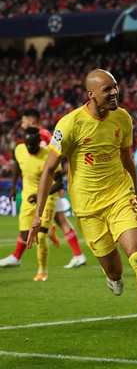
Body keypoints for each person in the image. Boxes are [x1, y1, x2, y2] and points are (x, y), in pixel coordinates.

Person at [26, 69, 137, 353]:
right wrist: (37, 216)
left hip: (120, 195)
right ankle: (113, 278)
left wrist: (136, 196)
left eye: (116, 87)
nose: (114, 93)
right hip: (87, 208)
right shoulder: (70, 124)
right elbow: (49, 168)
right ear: (91, 94)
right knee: (116, 271)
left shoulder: (123, 117)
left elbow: (127, 160)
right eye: (107, 89)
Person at [16, 108, 87, 268]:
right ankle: (77, 254)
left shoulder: (43, 136)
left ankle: (75, 253)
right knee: (58, 219)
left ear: (31, 120)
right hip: (47, 186)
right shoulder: (40, 135)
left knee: (54, 221)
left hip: (48, 187)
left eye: (23, 121)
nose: (22, 124)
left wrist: (56, 184)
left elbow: (54, 159)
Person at [0, 127, 63, 281]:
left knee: (40, 237)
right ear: (24, 141)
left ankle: (42, 272)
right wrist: (13, 187)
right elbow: (17, 167)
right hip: (28, 197)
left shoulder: (49, 155)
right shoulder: (19, 149)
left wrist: (41, 194)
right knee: (24, 236)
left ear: (38, 141)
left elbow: (60, 183)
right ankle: (50, 230)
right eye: (27, 143)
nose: (29, 147)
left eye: (33, 144)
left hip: (47, 198)